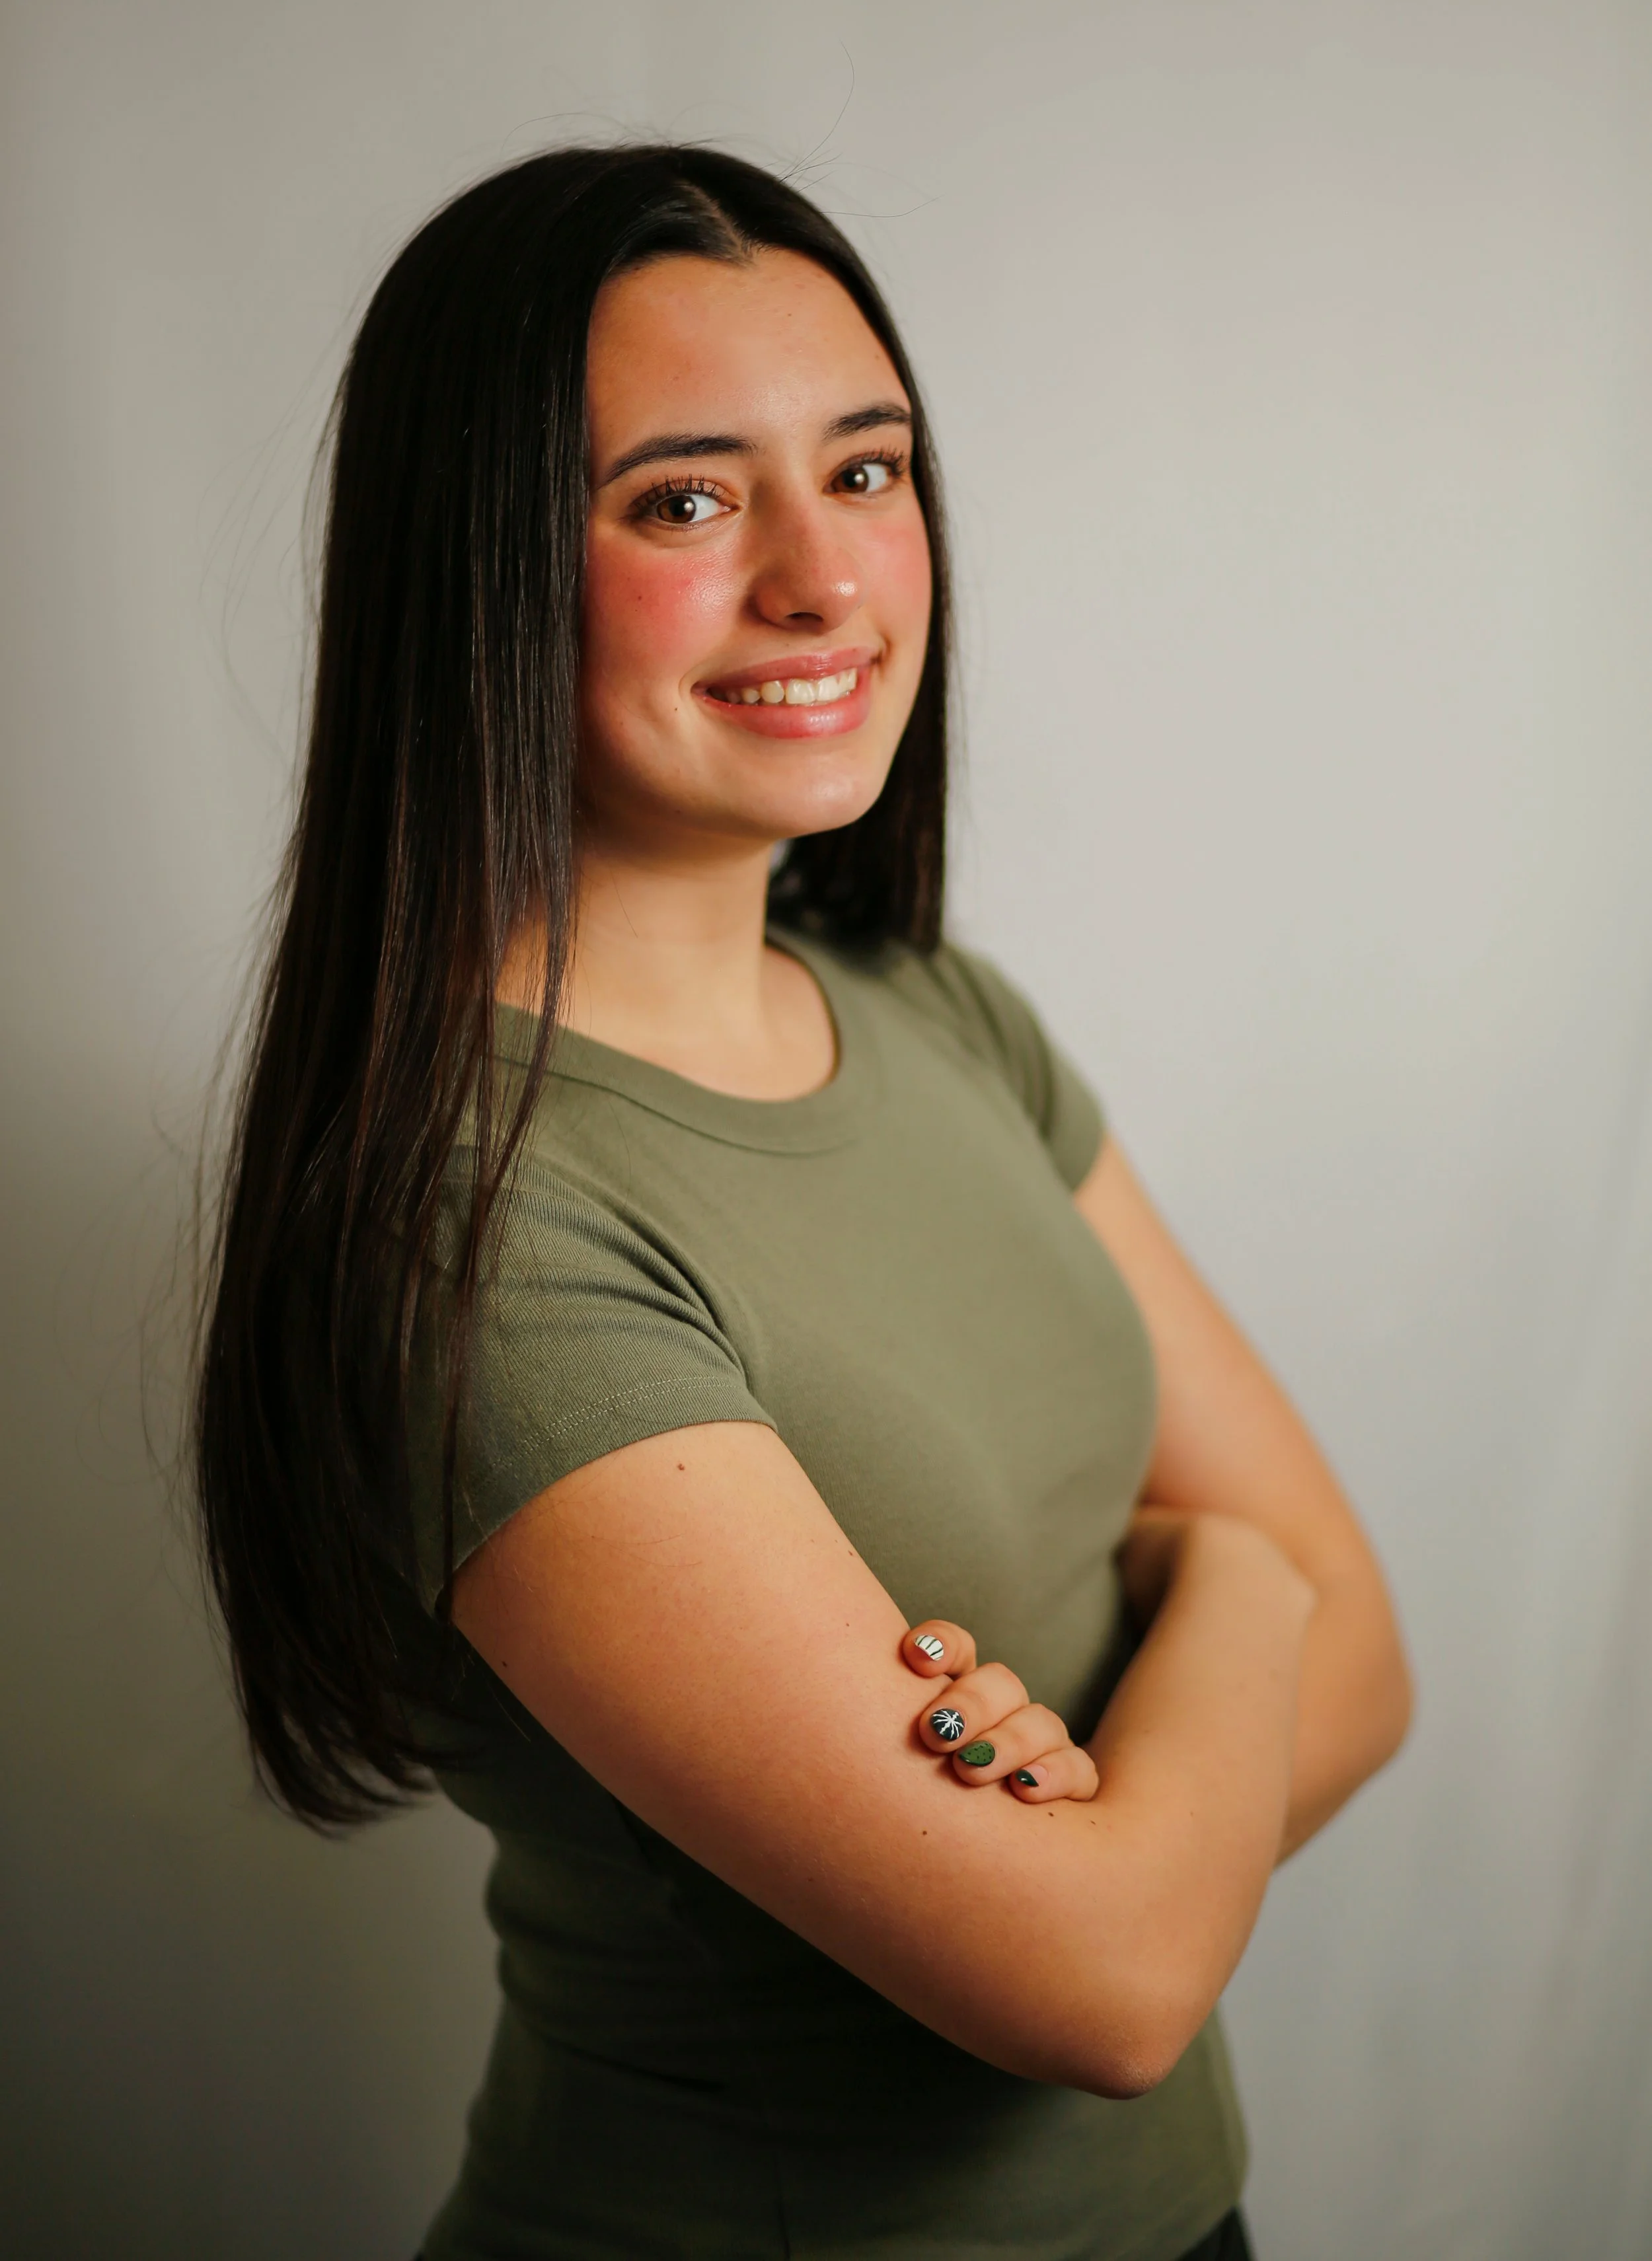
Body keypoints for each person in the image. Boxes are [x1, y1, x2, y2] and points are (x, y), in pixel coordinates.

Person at [193, 144, 1412, 2261]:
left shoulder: (943, 1016)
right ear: (476, 570)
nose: (824, 580)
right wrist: (1237, 1582)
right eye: (683, 497)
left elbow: (1369, 1663)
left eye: (865, 470)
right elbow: (1105, 1985)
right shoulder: (472, 1223)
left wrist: (1180, 1695)